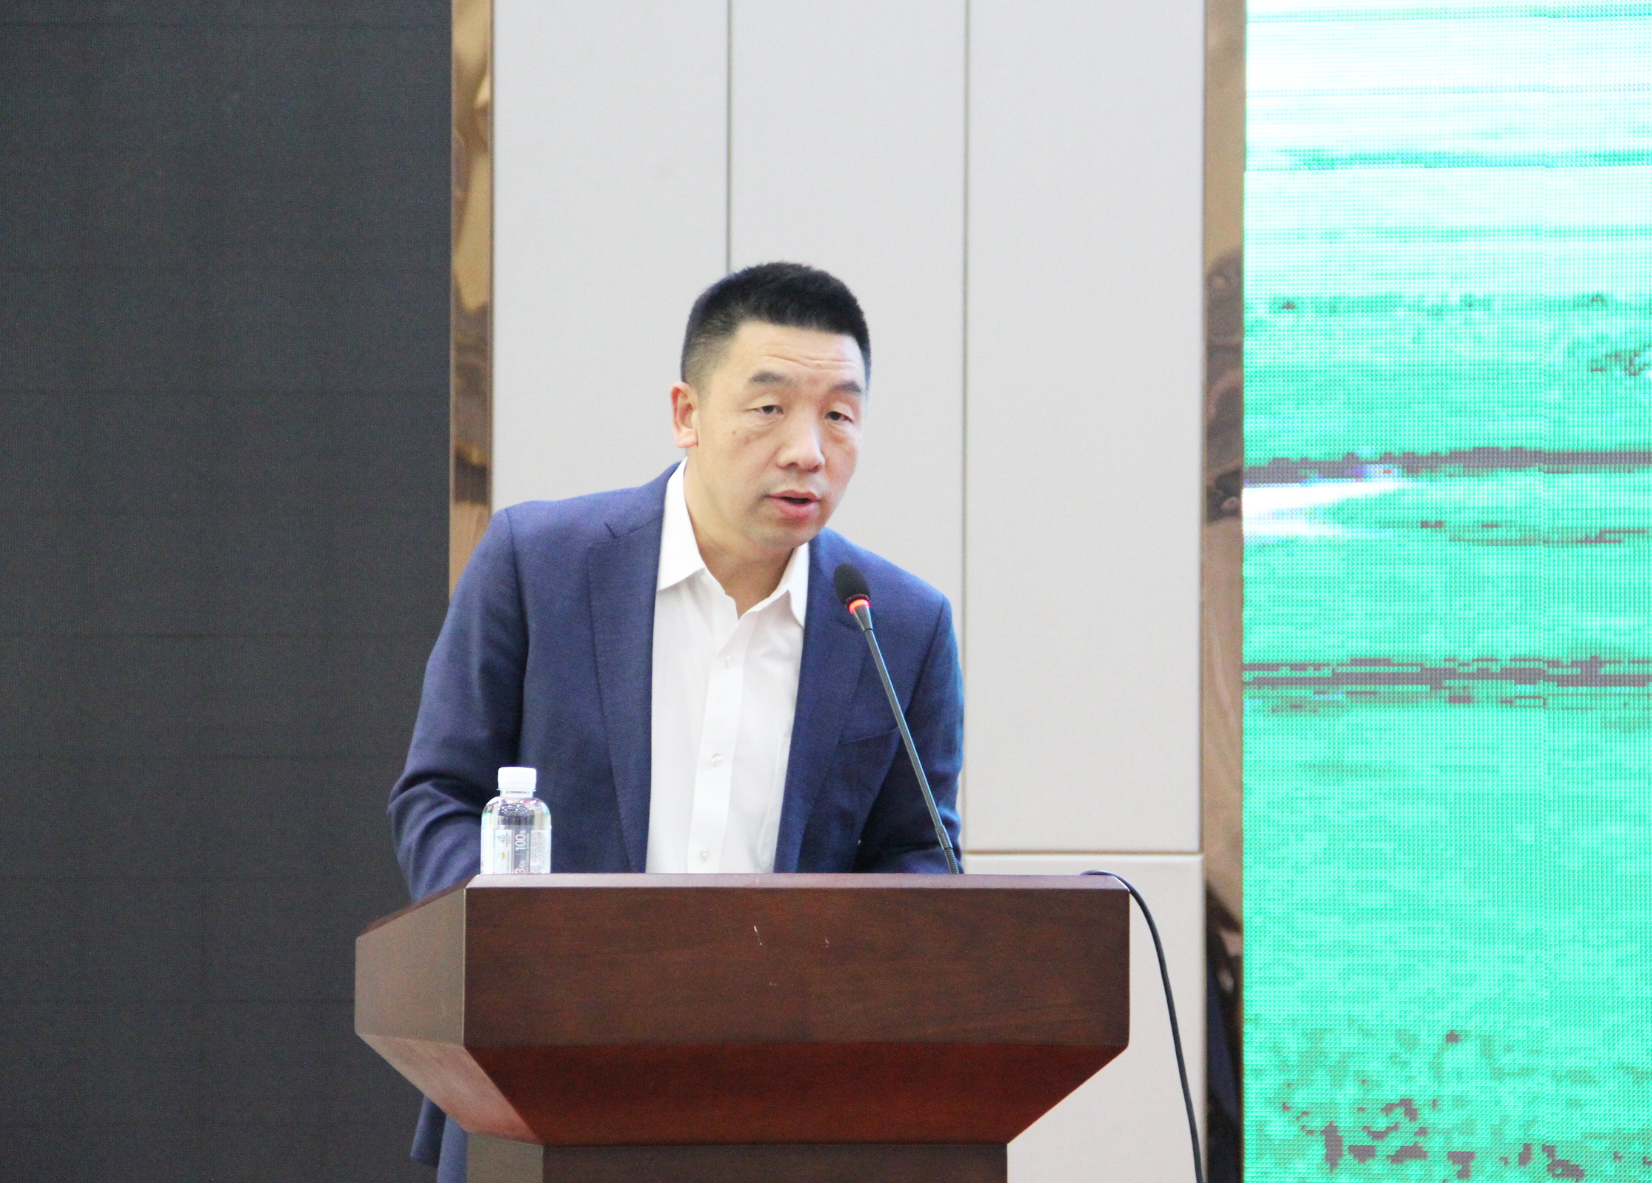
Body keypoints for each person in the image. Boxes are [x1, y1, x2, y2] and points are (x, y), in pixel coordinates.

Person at [388, 262, 964, 1181]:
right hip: (543, 1085)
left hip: (790, 1109)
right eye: (769, 408)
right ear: (686, 413)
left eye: (840, 415)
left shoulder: (895, 623)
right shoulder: (538, 563)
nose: (808, 450)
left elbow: (918, 854)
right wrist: (518, 953)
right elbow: (439, 795)